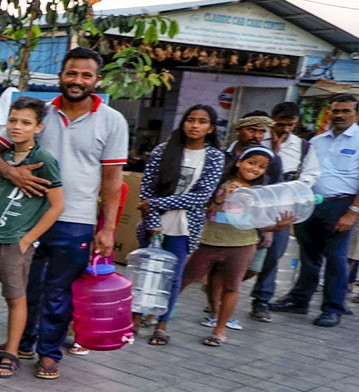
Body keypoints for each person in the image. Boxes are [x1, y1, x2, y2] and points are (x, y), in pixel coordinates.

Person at [0, 47, 128, 380]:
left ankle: (49, 353)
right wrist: (13, 173)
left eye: (86, 75)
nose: (77, 81)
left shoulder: (113, 121)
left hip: (75, 220)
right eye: (71, 73)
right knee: (26, 287)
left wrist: (108, 230)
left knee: (59, 291)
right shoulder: (39, 115)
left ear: (97, 80)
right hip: (27, 218)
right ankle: (24, 343)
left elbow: (113, 181)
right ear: (61, 75)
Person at [0, 97, 63, 378]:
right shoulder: (3, 158)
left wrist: (28, 239)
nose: (17, 127)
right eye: (13, 120)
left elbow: (57, 205)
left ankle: (11, 353)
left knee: (16, 298)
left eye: (26, 123)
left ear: (38, 127)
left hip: (15, 240)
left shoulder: (43, 160)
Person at [180, 147, 295, 346]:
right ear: (239, 162)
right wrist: (223, 196)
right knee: (185, 278)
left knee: (232, 286)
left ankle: (220, 329)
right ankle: (156, 316)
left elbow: (259, 222)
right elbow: (206, 208)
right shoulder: (219, 183)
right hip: (210, 241)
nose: (255, 169)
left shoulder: (259, 194)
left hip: (242, 245)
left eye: (262, 167)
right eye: (251, 162)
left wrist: (278, 226)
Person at [135, 104, 225, 346]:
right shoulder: (163, 150)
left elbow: (200, 197)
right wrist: (153, 219)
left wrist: (155, 202)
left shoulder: (215, 157)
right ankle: (134, 320)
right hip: (154, 222)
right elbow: (146, 189)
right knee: (145, 271)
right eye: (190, 119)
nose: (195, 125)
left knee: (172, 277)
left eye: (202, 121)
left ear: (211, 128)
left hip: (185, 226)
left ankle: (162, 325)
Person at [272, 94, 359, 327]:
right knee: (308, 254)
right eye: (336, 111)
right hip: (310, 203)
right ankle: (299, 300)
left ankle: (333, 308)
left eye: (345, 111)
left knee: (336, 257)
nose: (339, 115)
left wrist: (352, 212)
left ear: (357, 114)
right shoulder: (316, 141)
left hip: (341, 204)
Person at [249, 101, 320, 322]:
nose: (286, 129)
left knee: (274, 253)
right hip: (255, 199)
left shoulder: (303, 147)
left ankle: (261, 299)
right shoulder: (260, 139)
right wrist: (274, 152)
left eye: (291, 125)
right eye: (281, 124)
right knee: (238, 250)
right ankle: (219, 291)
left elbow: (312, 174)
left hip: (284, 202)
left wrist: (296, 187)